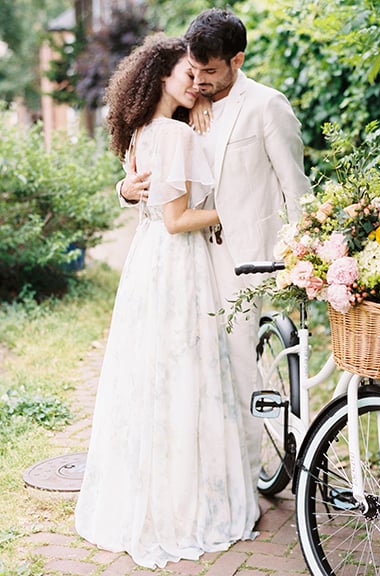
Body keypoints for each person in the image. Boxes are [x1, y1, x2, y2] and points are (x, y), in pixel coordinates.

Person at [74, 34, 258, 568]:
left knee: (149, 380)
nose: (198, 84)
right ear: (161, 78)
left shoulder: (138, 133)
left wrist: (194, 105)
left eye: (202, 78)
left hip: (146, 263)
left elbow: (149, 205)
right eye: (188, 77)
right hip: (179, 265)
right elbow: (179, 221)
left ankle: (147, 494)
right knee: (187, 376)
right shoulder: (174, 136)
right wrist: (233, 210)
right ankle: (188, 502)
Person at [119, 8, 310, 492]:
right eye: (194, 69)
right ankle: (206, 476)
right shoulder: (183, 106)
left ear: (236, 61)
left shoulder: (267, 106)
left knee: (238, 372)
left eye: (210, 71)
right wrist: (125, 189)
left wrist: (305, 253)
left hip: (240, 259)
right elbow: (156, 172)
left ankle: (241, 486)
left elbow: (295, 187)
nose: (200, 80)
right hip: (186, 257)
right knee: (198, 375)